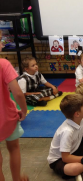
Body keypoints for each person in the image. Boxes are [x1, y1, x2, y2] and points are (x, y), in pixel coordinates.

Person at [0, 30, 29, 181]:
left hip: (7, 117)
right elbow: (17, 93)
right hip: (7, 117)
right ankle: (16, 179)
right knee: (14, 148)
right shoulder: (3, 64)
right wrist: (24, 111)